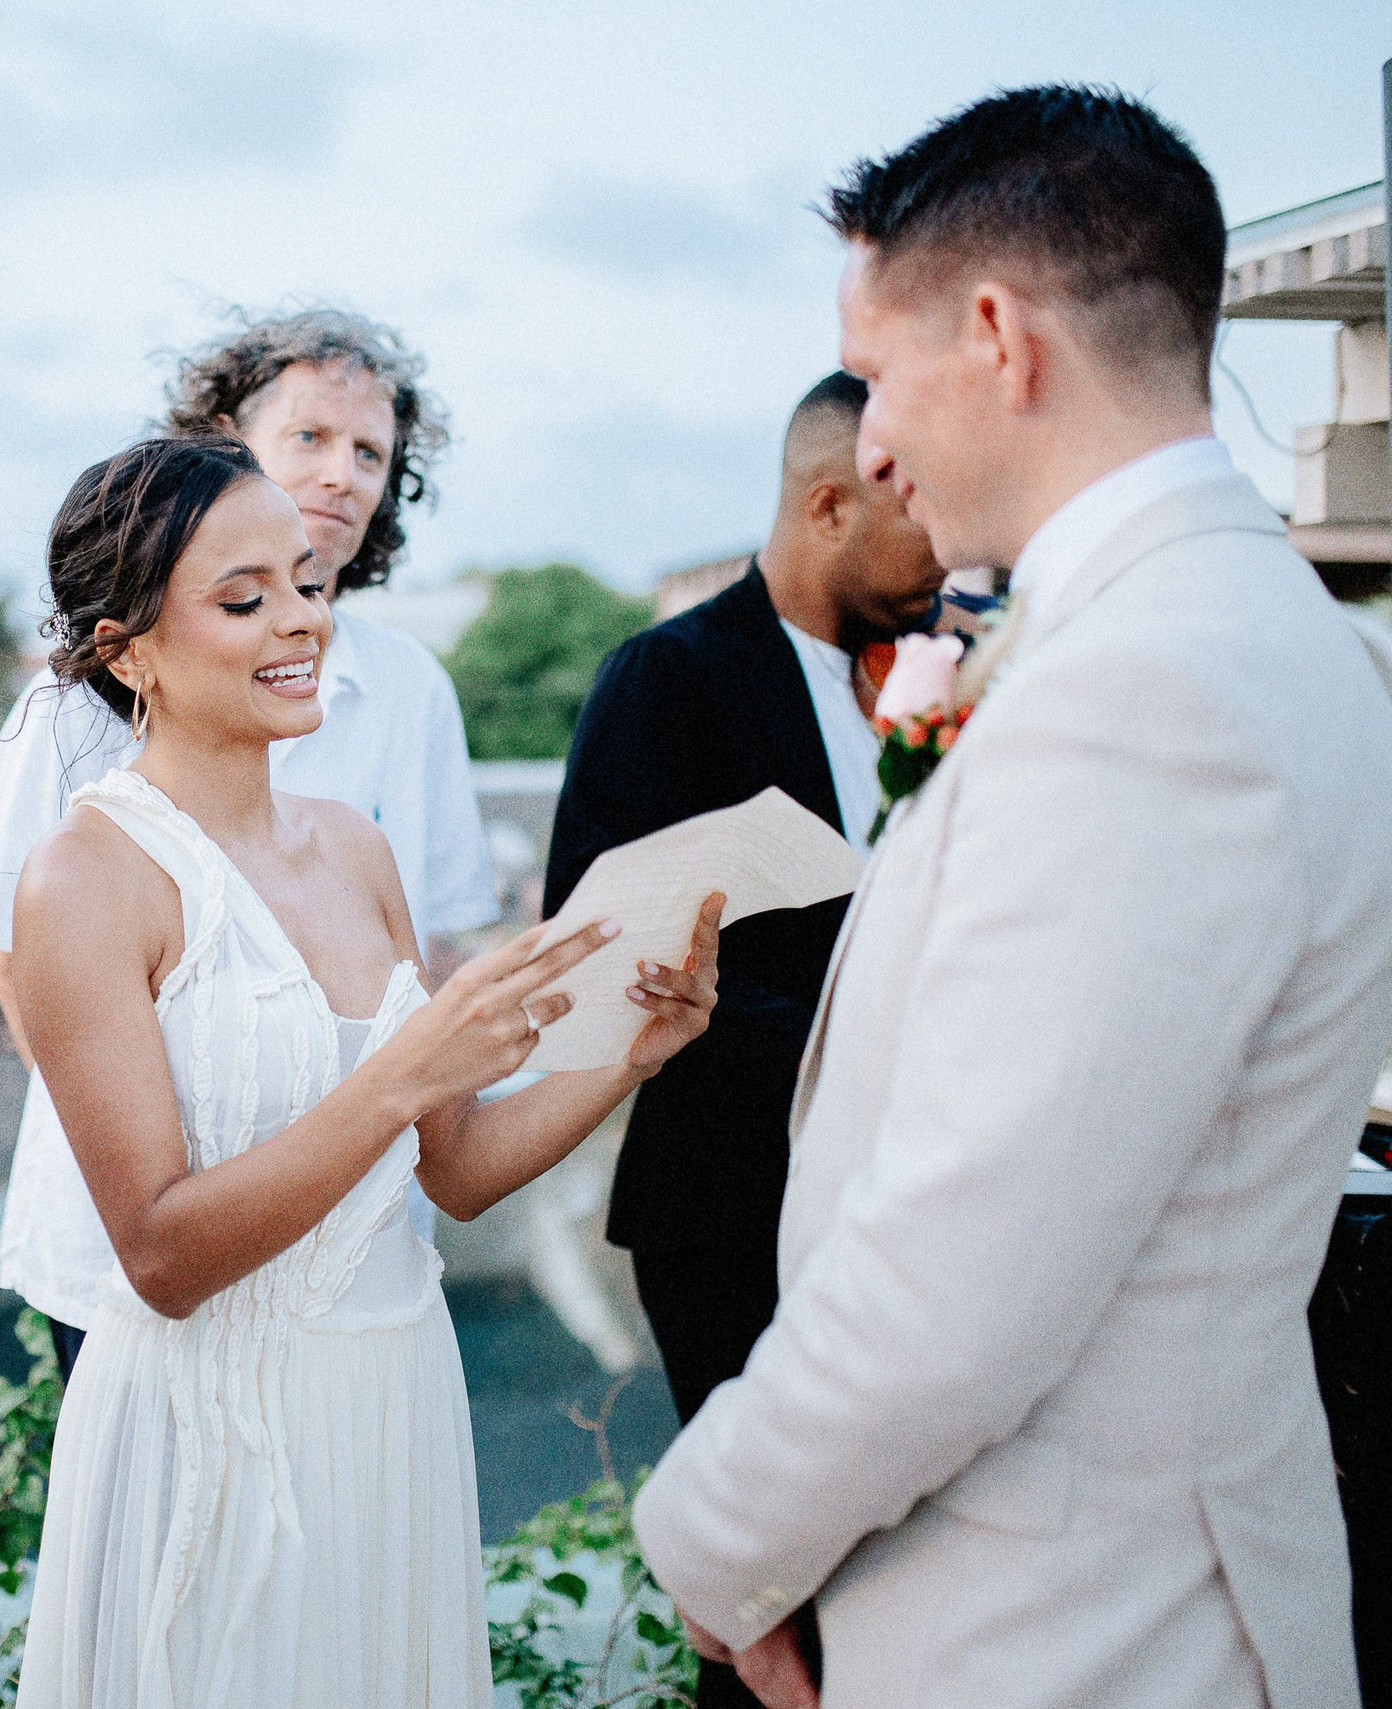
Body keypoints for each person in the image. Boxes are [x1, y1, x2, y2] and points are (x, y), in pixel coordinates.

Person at [630, 88, 1392, 1709]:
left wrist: (716, 1541)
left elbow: (952, 1280)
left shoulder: (1151, 688)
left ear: (998, 335)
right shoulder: (1265, 635)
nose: (865, 443)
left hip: (1071, 1622)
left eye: (876, 373)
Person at [5, 434, 723, 1708]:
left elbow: (455, 1171)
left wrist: (630, 1052)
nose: (300, 622)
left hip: (394, 1398)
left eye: (305, 583)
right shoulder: (87, 879)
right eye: (243, 599)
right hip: (212, 1429)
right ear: (130, 653)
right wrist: (400, 1072)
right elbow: (162, 1256)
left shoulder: (354, 849)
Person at [0, 310, 497, 1375]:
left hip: (363, 1251)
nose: (341, 474)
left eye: (370, 452)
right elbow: (23, 964)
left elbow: (432, 953)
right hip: (136, 1253)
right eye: (308, 438)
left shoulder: (409, 691)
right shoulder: (70, 713)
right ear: (220, 441)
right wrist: (166, 1166)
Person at [544, 368, 942, 1709]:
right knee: (770, 1596)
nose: (949, 546)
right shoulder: (668, 679)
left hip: (910, 1204)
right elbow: (605, 954)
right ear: (828, 504)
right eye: (921, 515)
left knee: (901, 1581)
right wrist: (881, 1071)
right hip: (730, 1202)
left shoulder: (955, 674)